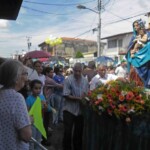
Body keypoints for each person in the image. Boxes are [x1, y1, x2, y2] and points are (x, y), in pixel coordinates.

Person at [0, 59, 32, 150]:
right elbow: (26, 136)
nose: (27, 78)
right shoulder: (16, 98)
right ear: (16, 78)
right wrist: (28, 121)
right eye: (25, 73)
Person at [63, 62, 89, 150]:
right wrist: (78, 99)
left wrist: (85, 97)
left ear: (82, 71)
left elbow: (86, 93)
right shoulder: (68, 80)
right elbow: (66, 94)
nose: (77, 73)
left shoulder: (85, 80)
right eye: (76, 71)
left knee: (78, 132)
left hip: (80, 110)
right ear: (73, 70)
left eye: (79, 71)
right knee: (68, 132)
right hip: (69, 110)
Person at [26, 79, 51, 149]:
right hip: (32, 123)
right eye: (36, 88)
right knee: (32, 140)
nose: (38, 90)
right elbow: (26, 112)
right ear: (31, 89)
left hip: (40, 121)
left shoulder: (42, 97)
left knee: (38, 140)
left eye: (40, 88)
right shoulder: (29, 99)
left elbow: (46, 110)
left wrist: (46, 106)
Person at [126, 19, 150, 88]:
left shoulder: (147, 34)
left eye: (137, 25)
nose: (135, 27)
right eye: (134, 26)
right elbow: (130, 48)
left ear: (141, 25)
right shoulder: (134, 36)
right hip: (135, 58)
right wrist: (131, 51)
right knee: (134, 73)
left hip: (146, 58)